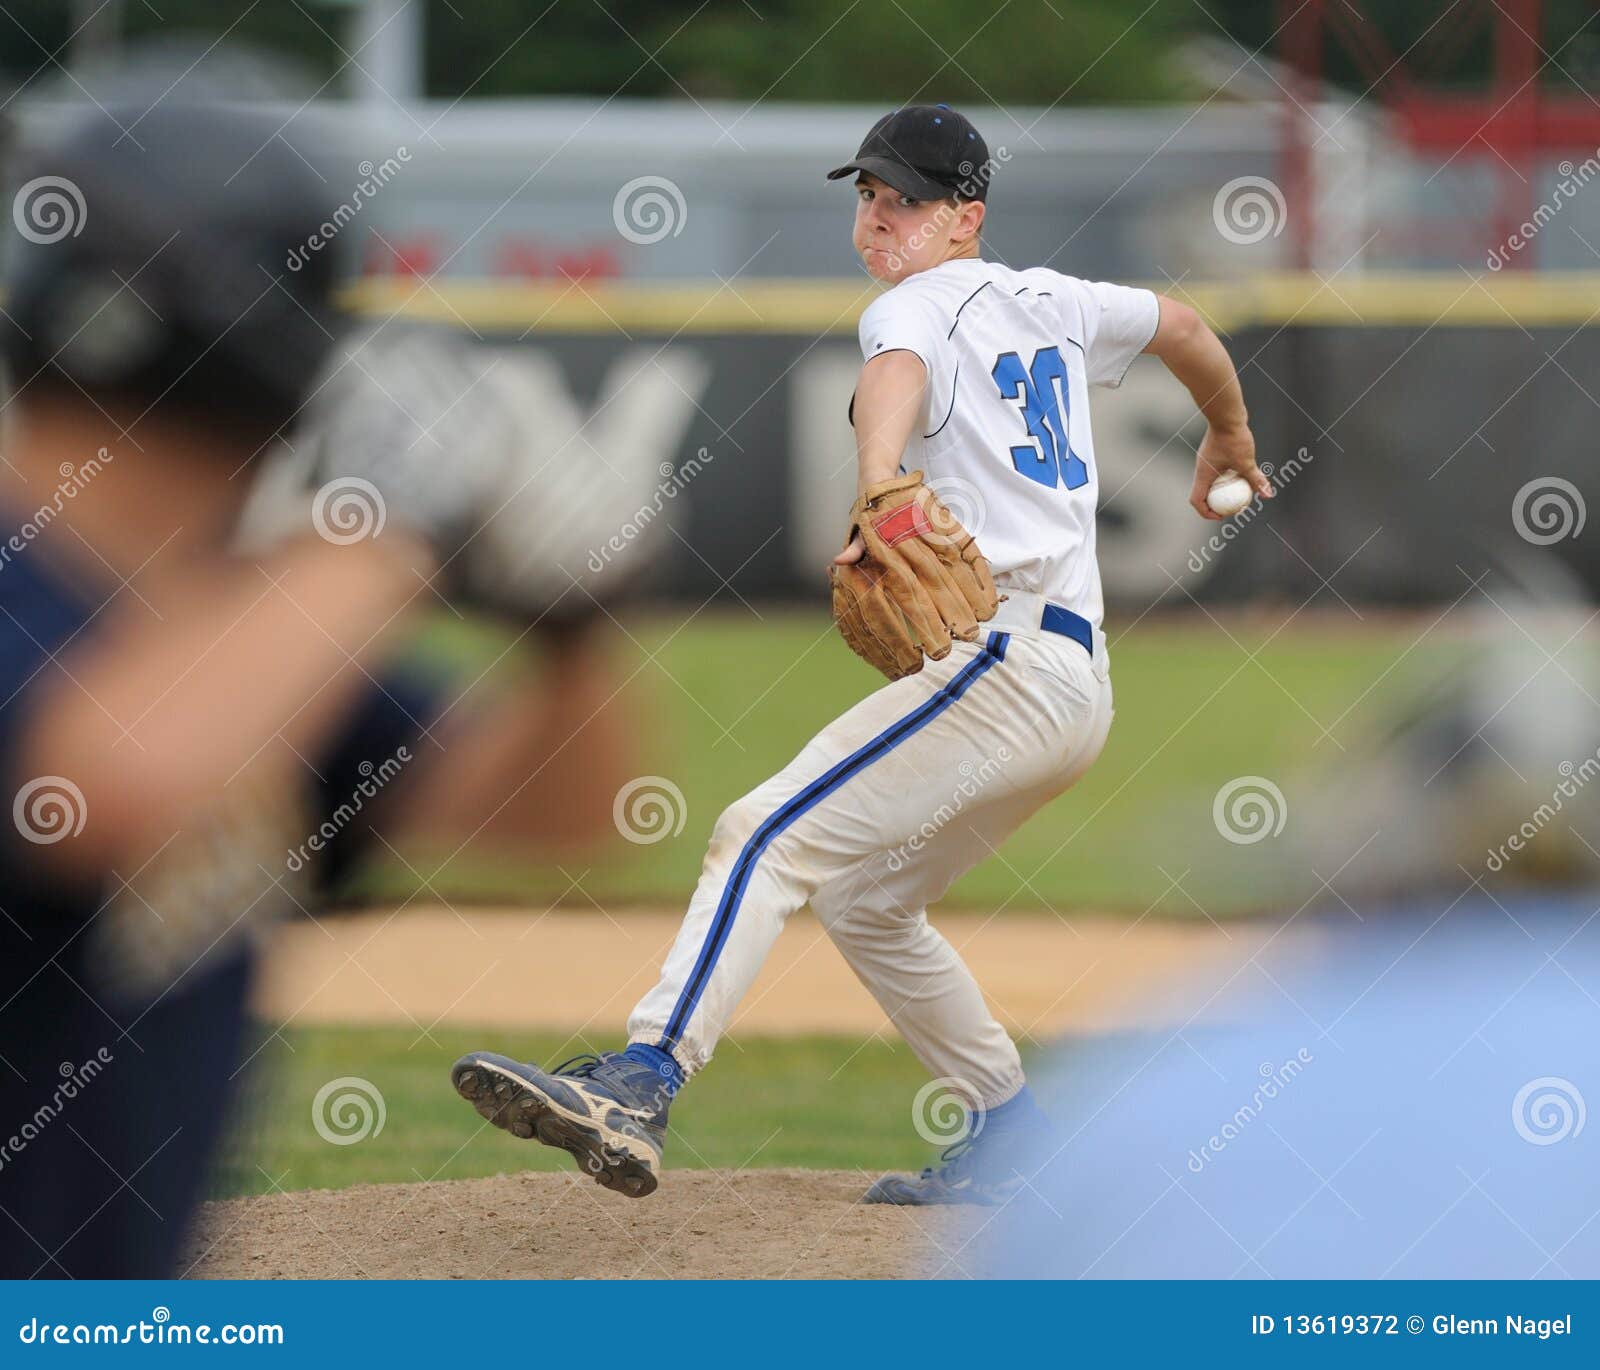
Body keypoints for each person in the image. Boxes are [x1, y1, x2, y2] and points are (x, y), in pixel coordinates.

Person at [451, 103, 1270, 1204]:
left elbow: (895, 373)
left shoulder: (913, 305)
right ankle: (1013, 1131)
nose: (881, 217)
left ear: (963, 216)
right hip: (1070, 684)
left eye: (907, 199)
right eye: (869, 195)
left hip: (1005, 665)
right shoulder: (1060, 301)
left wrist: (876, 473)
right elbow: (1184, 327)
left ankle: (641, 1076)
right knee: (868, 900)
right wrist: (1231, 433)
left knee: (759, 833)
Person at [0, 86, 644, 1276]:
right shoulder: (80, 616)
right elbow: (98, 783)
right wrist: (385, 526)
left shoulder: (223, 631)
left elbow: (553, 816)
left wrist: (569, 624)